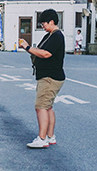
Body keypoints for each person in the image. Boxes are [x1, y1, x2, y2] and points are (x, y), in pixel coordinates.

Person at [18, 9, 65, 149]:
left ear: (51, 21)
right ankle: (50, 136)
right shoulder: (50, 35)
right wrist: (29, 48)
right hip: (50, 76)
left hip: (50, 78)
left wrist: (27, 46)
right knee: (48, 107)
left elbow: (45, 54)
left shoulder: (57, 36)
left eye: (44, 23)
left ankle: (42, 138)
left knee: (41, 107)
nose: (42, 26)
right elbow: (39, 51)